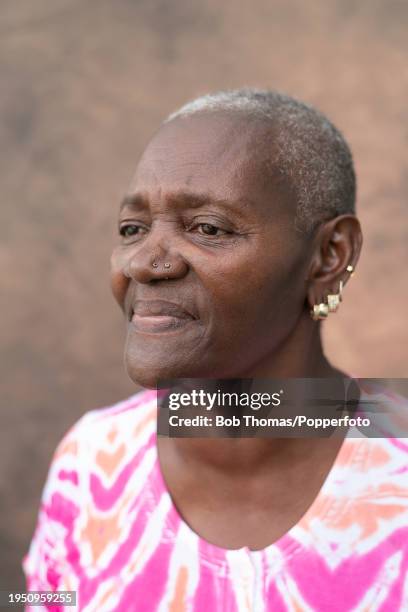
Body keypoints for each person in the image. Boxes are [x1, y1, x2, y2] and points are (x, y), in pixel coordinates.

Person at [23, 90, 408, 611]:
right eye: (132, 230)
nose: (144, 263)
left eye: (207, 228)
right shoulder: (91, 463)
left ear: (328, 256)